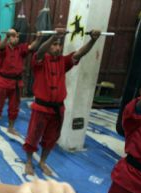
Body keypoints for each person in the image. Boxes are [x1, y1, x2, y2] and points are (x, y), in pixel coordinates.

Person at [23, 28, 101, 176]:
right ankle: (28, 161)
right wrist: (54, 37)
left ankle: (42, 161)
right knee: (33, 135)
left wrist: (93, 40)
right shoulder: (38, 60)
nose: (57, 47)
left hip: (58, 109)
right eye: (54, 44)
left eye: (59, 45)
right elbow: (39, 52)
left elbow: (80, 53)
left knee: (51, 137)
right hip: (40, 107)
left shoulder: (63, 62)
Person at [0, 29, 41, 136]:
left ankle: (11, 127)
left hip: (17, 82)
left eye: (17, 36)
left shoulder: (21, 49)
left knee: (14, 106)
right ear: (9, 38)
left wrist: (39, 38)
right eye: (13, 36)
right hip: (3, 80)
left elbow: (32, 47)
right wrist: (7, 36)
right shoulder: (3, 48)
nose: (15, 38)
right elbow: (1, 47)